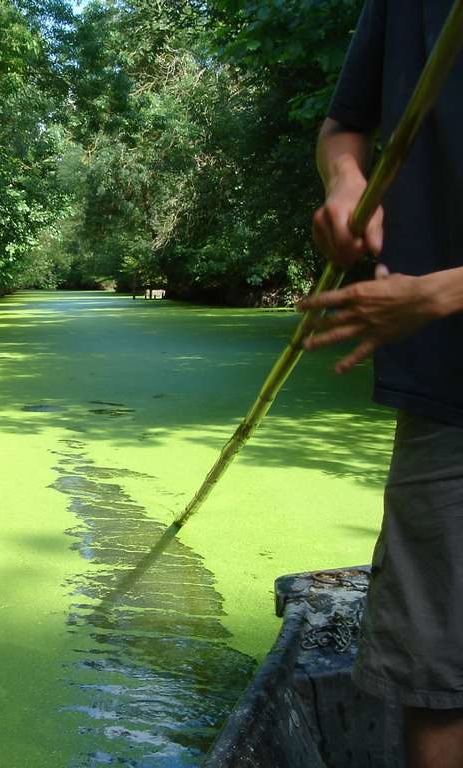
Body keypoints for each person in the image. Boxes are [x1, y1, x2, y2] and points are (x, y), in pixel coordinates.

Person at [302, 2, 463, 766]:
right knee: (434, 675)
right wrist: (345, 184)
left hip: (431, 322)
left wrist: (443, 292)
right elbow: (344, 126)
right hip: (447, 387)